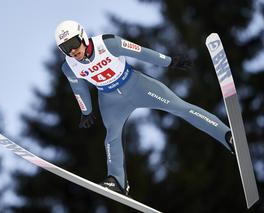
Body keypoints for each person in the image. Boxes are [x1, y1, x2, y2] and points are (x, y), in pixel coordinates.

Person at [54, 20, 234, 196]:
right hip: (110, 101)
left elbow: (141, 52)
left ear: (83, 36)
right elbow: (78, 89)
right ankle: (117, 181)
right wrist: (86, 111)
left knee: (181, 108)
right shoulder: (70, 67)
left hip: (137, 86)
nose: (72, 50)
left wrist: (170, 61)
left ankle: (227, 136)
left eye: (74, 43)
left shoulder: (108, 43)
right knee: (112, 137)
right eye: (65, 48)